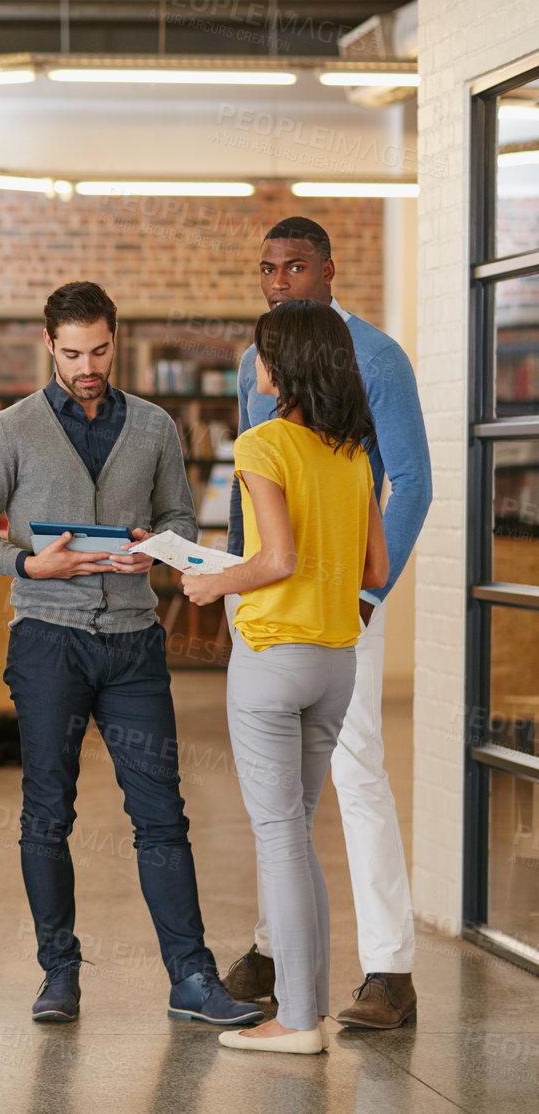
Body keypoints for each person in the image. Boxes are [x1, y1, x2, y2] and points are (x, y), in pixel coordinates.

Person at [0, 281, 261, 1027]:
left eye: (100, 350)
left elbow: (178, 514)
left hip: (132, 645)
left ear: (116, 340)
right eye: (73, 352)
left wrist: (156, 547)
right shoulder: (10, 429)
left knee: (162, 815)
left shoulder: (153, 426)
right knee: (47, 814)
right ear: (48, 345)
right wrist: (28, 565)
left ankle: (191, 977)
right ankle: (59, 973)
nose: (88, 366)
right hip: (47, 643)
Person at [221, 217, 432, 1031]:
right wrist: (232, 579)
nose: (280, 282)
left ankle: (390, 970)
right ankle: (274, 952)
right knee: (283, 795)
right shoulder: (255, 364)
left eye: (297, 267)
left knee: (357, 772)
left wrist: (369, 599)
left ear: (330, 272)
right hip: (268, 605)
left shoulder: (375, 358)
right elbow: (259, 470)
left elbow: (408, 482)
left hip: (344, 604)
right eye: (268, 268)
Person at [185, 299, 390, 1055]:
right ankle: (307, 1010)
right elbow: (376, 568)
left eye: (263, 353)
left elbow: (277, 560)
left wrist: (214, 585)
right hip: (337, 660)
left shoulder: (262, 443)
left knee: (280, 839)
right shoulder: (355, 452)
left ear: (289, 364)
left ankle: (298, 1020)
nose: (256, 364)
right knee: (293, 839)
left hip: (272, 661)